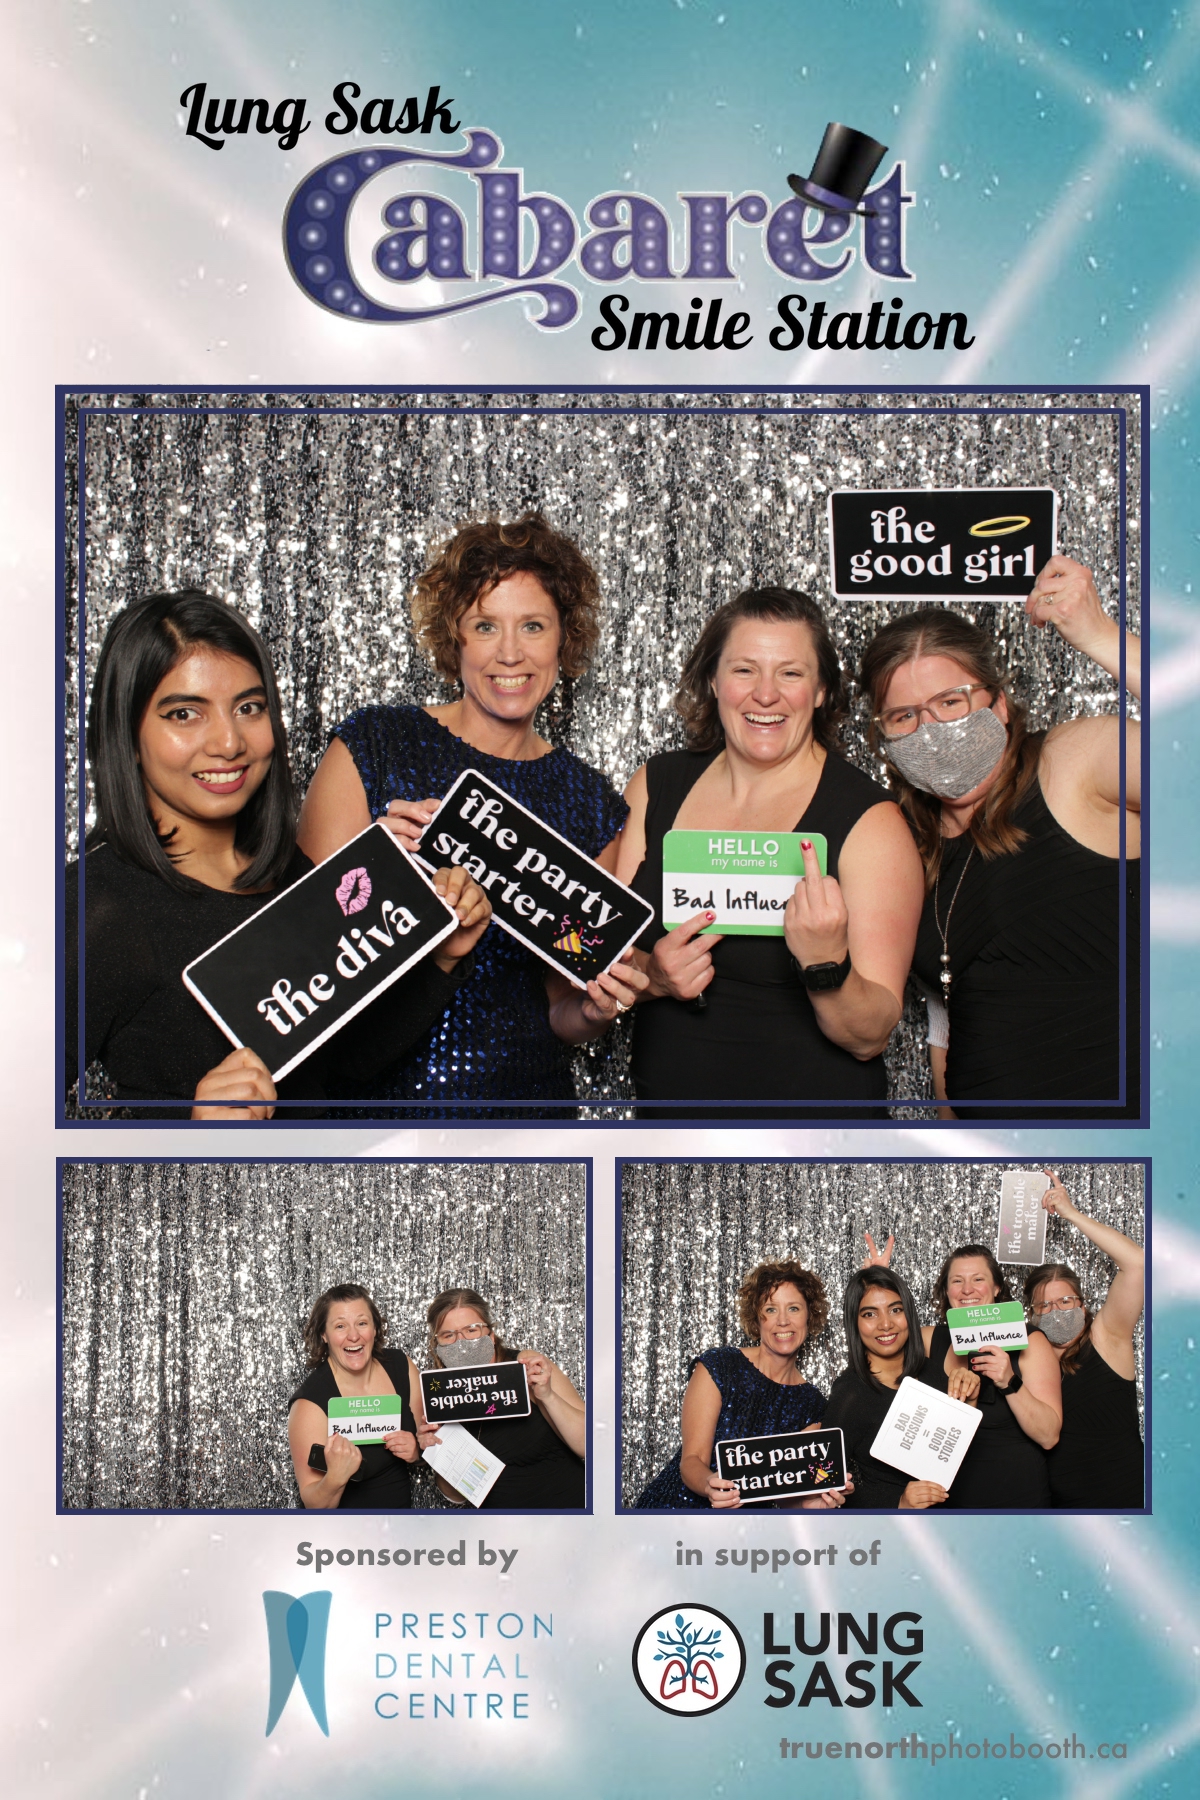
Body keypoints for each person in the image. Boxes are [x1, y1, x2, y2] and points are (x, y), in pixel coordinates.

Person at [67, 591, 491, 1117]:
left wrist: (442, 957)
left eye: (249, 708)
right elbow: (18, 1131)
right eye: (184, 714)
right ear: (128, 734)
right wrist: (185, 1137)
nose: (229, 743)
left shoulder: (290, 872)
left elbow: (342, 1065)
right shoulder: (95, 906)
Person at [298, 513, 644, 1117]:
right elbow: (300, 959)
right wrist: (375, 869)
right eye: (485, 626)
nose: (510, 653)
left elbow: (557, 1008)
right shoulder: (375, 745)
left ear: (563, 640)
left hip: (526, 1116)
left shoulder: (591, 803)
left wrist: (593, 1011)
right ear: (453, 638)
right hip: (371, 1107)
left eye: (533, 626)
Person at [615, 587, 923, 1117]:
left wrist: (825, 964)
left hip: (811, 1143)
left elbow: (870, 1036)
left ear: (821, 690)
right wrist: (655, 977)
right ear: (714, 681)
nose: (765, 695)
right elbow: (607, 960)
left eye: (790, 673)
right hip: (669, 1133)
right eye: (744, 670)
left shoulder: (871, 821)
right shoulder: (655, 785)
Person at [860, 554, 1141, 1118]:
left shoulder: (1073, 761)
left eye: (950, 702)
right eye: (904, 716)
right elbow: (947, 1023)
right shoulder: (905, 843)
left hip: (1120, 1138)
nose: (931, 730)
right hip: (991, 1149)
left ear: (1001, 705)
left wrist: (1101, 636)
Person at [635, 1259, 849, 1511]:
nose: (783, 1321)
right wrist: (710, 1485)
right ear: (757, 1319)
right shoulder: (720, 1366)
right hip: (673, 1511)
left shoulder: (812, 1405)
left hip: (744, 1528)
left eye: (793, 1308)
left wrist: (810, 1503)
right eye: (771, 1309)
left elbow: (785, 1495)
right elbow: (693, 1459)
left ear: (809, 1316)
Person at [1023, 1169, 1145, 1509]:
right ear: (1032, 1315)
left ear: (1082, 1304)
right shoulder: (1027, 1361)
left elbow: (1137, 1264)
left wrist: (1071, 1214)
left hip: (1128, 1500)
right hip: (1064, 1511)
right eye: (1045, 1305)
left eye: (1065, 1301)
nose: (1056, 1311)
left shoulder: (1107, 1338)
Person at [822, 1265, 980, 1510]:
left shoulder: (933, 1373)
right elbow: (827, 1482)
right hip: (890, 1528)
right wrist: (898, 1505)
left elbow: (955, 1461)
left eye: (895, 1310)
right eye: (870, 1314)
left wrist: (969, 1401)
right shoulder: (849, 1393)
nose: (886, 1324)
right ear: (854, 1323)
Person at [919, 1243, 1061, 1508]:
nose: (967, 1290)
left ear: (996, 1287)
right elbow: (882, 1336)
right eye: (957, 1281)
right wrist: (878, 1281)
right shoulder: (931, 1339)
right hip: (949, 1503)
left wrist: (1009, 1381)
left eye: (978, 1279)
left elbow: (1049, 1436)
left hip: (1016, 1501)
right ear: (947, 1291)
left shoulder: (1030, 1340)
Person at [424, 1288, 586, 1509]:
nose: (461, 1342)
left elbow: (588, 1445)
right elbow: (457, 1496)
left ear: (491, 1335)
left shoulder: (526, 1366)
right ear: (438, 1345)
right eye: (448, 1335)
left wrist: (546, 1396)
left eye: (471, 1330)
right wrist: (439, 1451)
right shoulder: (441, 1399)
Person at [288, 1284, 436, 1511]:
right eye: (340, 1326)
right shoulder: (310, 1403)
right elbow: (314, 1505)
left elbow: (429, 1443)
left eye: (362, 1323)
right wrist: (336, 1477)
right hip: (345, 1530)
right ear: (324, 1335)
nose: (354, 1336)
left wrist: (417, 1451)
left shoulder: (401, 1366)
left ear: (374, 1328)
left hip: (400, 1524)